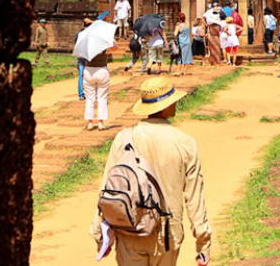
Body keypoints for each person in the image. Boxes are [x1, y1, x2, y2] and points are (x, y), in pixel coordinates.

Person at [91, 77, 212, 266]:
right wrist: (203, 242)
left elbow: (108, 187)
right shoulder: (185, 143)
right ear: (164, 107)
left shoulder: (123, 139)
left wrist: (100, 234)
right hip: (167, 234)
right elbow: (194, 196)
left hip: (130, 229)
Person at [83, 42, 117, 131]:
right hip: (102, 70)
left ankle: (90, 123)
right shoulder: (104, 45)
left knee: (89, 98)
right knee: (102, 98)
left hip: (88, 71)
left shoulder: (86, 45)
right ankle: (100, 123)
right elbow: (115, 47)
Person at [76, 18, 93, 100]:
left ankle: (81, 94)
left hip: (80, 56)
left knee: (81, 75)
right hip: (88, 56)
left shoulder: (78, 34)